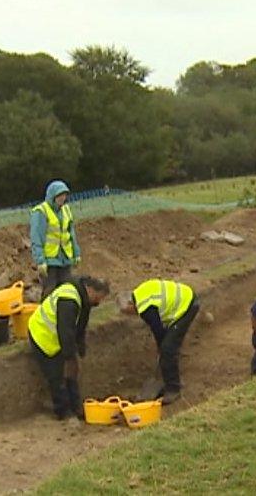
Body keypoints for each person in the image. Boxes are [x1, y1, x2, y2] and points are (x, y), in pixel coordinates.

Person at [28, 275, 109, 421]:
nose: (99, 302)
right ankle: (63, 412)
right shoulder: (69, 300)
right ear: (90, 289)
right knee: (56, 375)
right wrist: (70, 357)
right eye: (99, 297)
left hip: (57, 337)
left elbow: (81, 325)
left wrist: (81, 347)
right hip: (42, 335)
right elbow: (65, 332)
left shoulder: (85, 299)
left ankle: (76, 406)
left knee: (71, 372)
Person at [116, 279, 200, 405]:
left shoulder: (145, 308)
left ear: (130, 304)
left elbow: (158, 330)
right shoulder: (140, 293)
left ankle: (173, 388)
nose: (130, 315)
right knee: (168, 346)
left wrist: (162, 348)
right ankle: (168, 376)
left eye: (127, 312)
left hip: (186, 306)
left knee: (167, 349)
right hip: (183, 299)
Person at [30, 180, 82, 298]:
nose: (62, 198)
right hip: (50, 260)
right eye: (59, 195)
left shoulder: (66, 210)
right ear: (52, 196)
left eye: (64, 195)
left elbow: (71, 233)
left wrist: (76, 253)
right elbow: (37, 237)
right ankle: (46, 315)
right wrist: (40, 261)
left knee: (67, 289)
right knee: (50, 291)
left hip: (65, 258)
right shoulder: (41, 212)